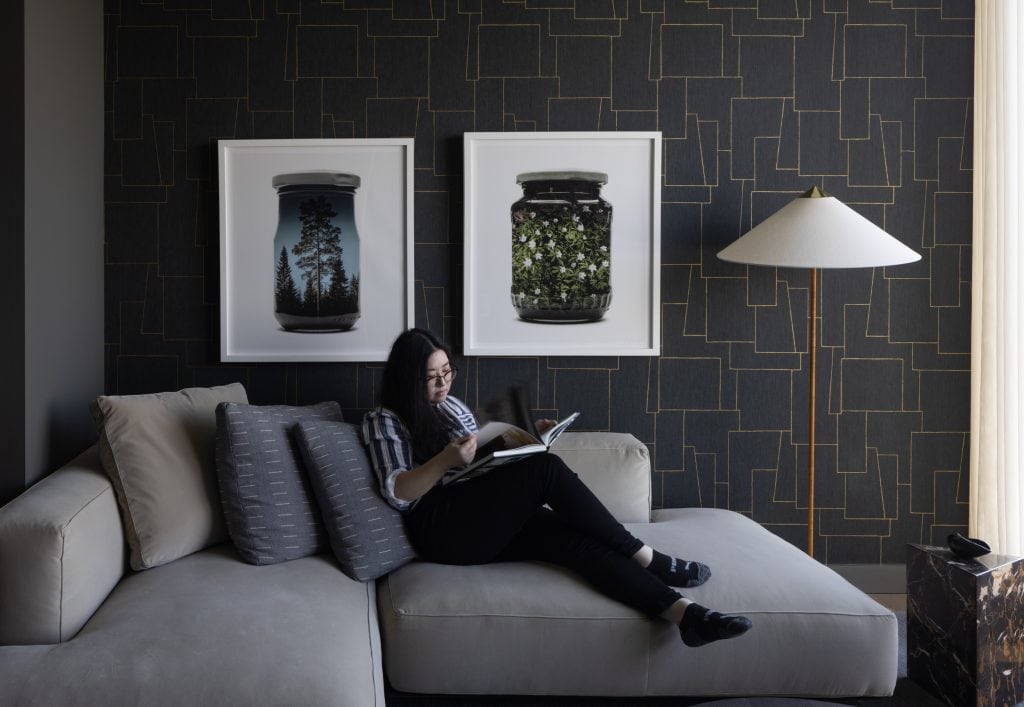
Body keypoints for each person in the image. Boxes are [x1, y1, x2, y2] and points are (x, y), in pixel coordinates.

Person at [361, 328, 752, 648]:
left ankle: (686, 615)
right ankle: (647, 556)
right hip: (440, 528)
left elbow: (482, 465)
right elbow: (397, 491)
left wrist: (526, 439)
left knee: (574, 540)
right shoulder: (384, 420)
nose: (443, 383)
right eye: (432, 378)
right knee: (544, 469)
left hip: (480, 515)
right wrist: (445, 459)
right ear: (408, 380)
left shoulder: (451, 407)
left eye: (448, 372)